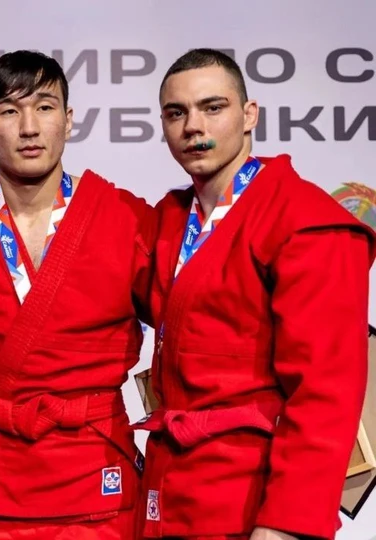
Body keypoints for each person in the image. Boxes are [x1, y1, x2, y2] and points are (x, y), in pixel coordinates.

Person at [134, 48, 375, 540]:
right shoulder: (170, 219)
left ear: (249, 115)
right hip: (170, 488)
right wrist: (5, 193)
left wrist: (286, 523)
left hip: (249, 498)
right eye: (176, 113)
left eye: (213, 107)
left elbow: (326, 390)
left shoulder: (307, 222)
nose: (193, 127)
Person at [0, 50, 156, 540]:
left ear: (68, 119)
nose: (29, 127)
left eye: (45, 107)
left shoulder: (125, 215)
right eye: (9, 111)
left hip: (97, 466)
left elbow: (192, 316)